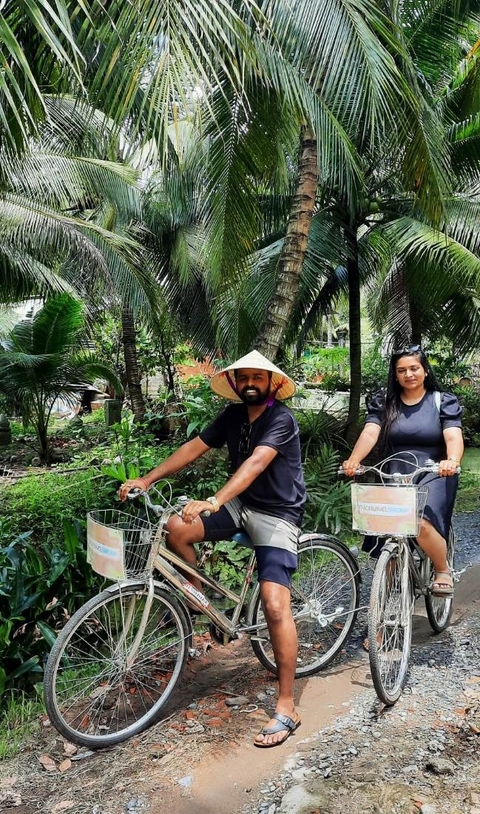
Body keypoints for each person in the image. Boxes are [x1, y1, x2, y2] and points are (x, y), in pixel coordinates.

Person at [118, 350, 306, 748]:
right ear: (236, 382)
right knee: (176, 528)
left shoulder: (282, 419)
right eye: (245, 377)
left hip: (277, 514)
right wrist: (148, 479)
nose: (251, 382)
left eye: (259, 376)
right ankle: (198, 600)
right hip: (241, 506)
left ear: (272, 383)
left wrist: (216, 500)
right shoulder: (233, 415)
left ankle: (287, 706)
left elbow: (256, 463)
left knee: (274, 605)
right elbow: (194, 447)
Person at [343, 345, 463, 596]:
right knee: (386, 531)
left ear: (425, 371)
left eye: (414, 368)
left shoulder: (442, 401)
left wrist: (451, 460)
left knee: (420, 523)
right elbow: (371, 431)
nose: (408, 374)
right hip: (395, 470)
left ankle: (442, 570)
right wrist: (354, 460)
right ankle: (381, 620)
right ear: (395, 374)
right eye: (401, 370)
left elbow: (453, 436)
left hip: (435, 471)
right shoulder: (385, 401)